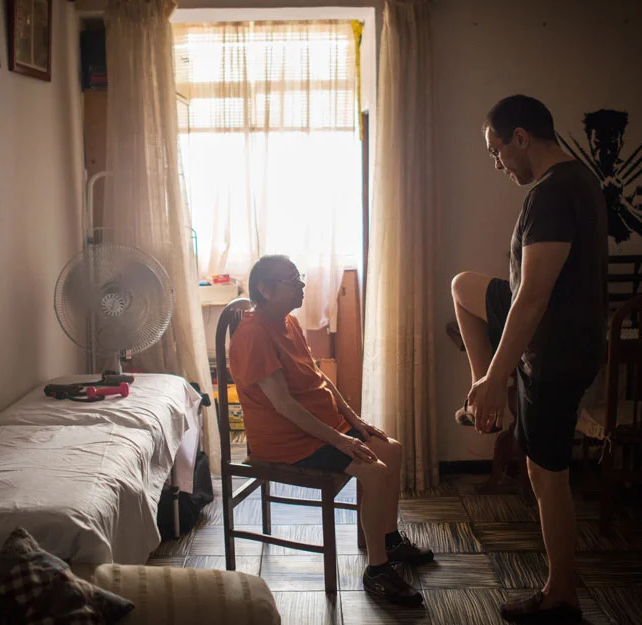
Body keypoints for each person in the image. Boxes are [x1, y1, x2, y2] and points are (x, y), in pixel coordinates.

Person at [451, 95, 607, 623]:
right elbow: (529, 290)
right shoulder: (575, 182)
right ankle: (485, 396)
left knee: (548, 478)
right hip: (558, 337)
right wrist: (488, 377)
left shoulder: (554, 193)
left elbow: (534, 296)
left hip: (554, 351)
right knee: (463, 287)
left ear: (521, 138)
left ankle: (560, 594)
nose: (498, 163)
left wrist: (500, 376)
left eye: (498, 151)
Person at [228, 255, 433, 607]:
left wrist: (354, 421)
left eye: (299, 277)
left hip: (318, 428)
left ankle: (388, 539)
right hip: (287, 440)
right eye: (292, 279)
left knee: (392, 449)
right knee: (374, 470)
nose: (301, 284)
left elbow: (319, 377)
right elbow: (284, 406)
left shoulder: (288, 321)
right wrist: (340, 439)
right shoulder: (253, 334)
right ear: (264, 288)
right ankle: (378, 570)